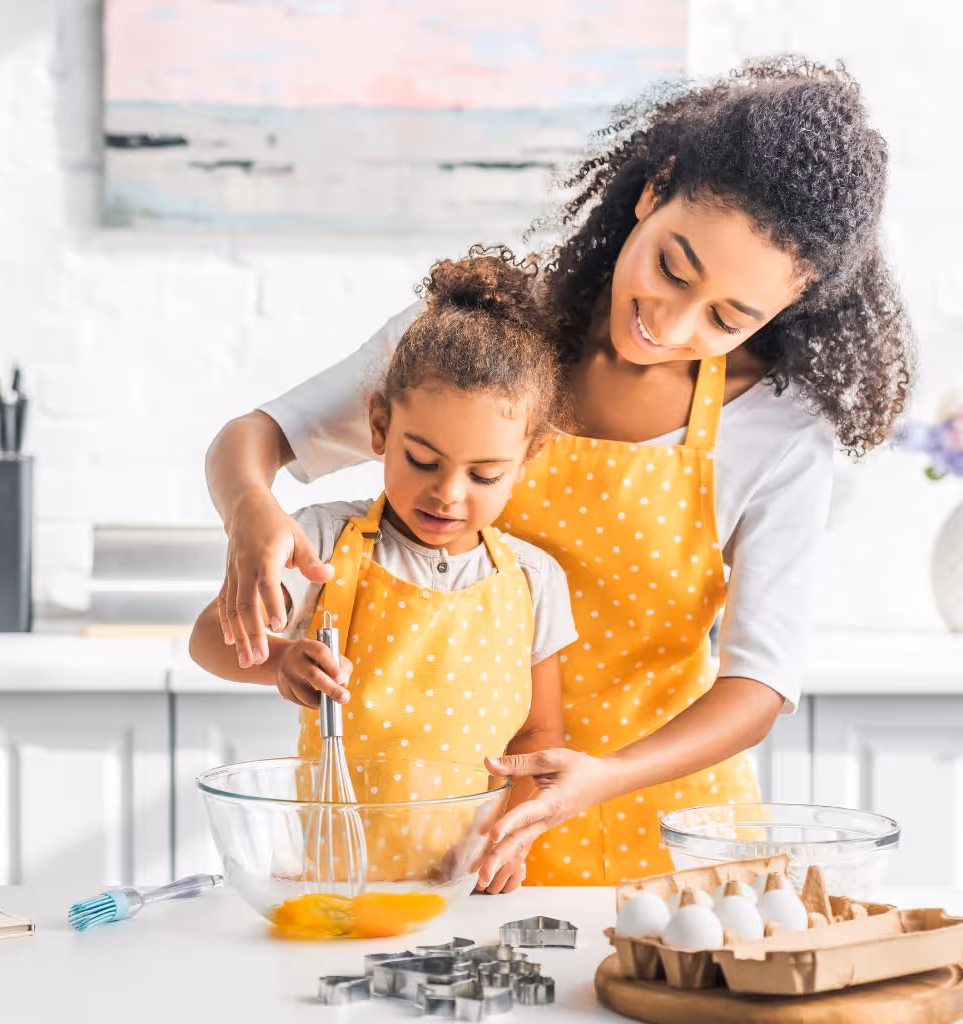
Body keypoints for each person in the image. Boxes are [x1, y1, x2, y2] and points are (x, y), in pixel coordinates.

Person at [202, 58, 915, 887]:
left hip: (671, 838)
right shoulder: (478, 343)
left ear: (788, 307)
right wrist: (250, 506)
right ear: (655, 188)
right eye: (673, 269)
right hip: (454, 835)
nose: (671, 322)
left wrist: (603, 777)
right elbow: (256, 437)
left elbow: (759, 684)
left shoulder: (780, 429)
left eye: (728, 316)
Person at [190, 249, 577, 894]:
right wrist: (279, 658)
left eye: (484, 475)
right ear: (378, 427)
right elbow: (209, 640)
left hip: (468, 891)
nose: (448, 493)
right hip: (334, 884)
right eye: (422, 460)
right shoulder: (322, 543)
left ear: (528, 457)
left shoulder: (536, 580)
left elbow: (540, 736)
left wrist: (515, 836)